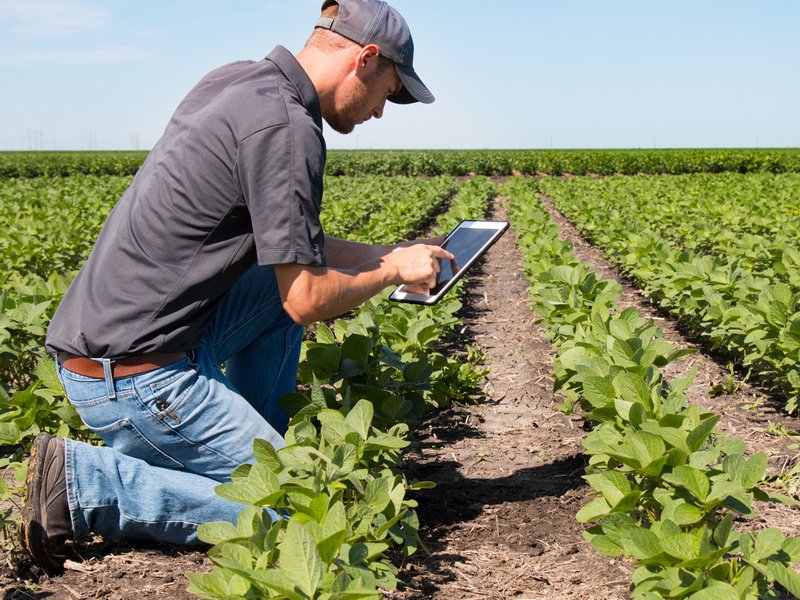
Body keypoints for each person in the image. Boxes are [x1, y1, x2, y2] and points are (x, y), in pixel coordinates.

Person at [21, 0, 451, 573]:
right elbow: (306, 299)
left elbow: (294, 255)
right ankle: (86, 483)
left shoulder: (238, 83)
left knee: (271, 287)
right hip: (133, 378)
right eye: (389, 92)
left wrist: (386, 253)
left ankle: (252, 444)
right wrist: (393, 272)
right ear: (366, 59)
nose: (380, 113)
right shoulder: (288, 130)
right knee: (304, 513)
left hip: (117, 344)